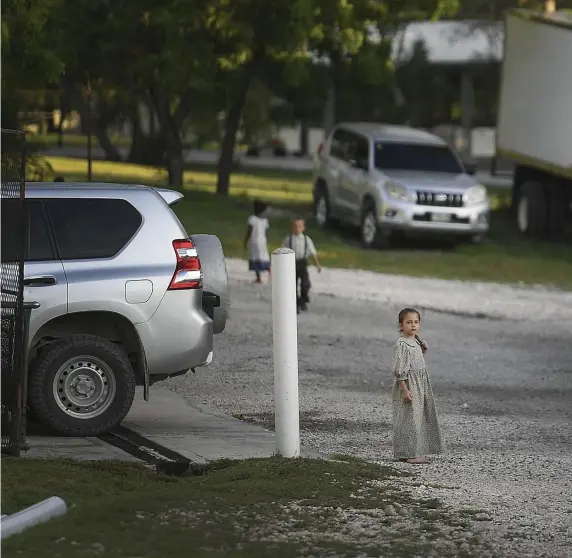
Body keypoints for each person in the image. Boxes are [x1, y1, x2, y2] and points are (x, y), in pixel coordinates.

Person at [392, 307, 443, 464]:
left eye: (416, 322)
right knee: (410, 419)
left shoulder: (414, 342)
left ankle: (409, 451)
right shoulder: (402, 345)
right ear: (401, 325)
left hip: (420, 385)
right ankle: (411, 454)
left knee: (418, 418)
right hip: (409, 385)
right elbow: (400, 369)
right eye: (409, 322)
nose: (413, 325)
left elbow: (414, 361)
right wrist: (405, 390)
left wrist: (422, 350)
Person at [281, 217, 322, 313]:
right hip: (291, 263)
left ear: (303, 228)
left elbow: (313, 253)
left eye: (299, 226)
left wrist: (318, 265)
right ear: (292, 228)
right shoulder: (288, 239)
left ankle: (303, 299)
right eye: (295, 227)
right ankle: (296, 304)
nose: (297, 229)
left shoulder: (306, 239)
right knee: (292, 285)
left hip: (302, 263)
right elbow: (282, 251)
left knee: (305, 284)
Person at [244, 199, 271, 284]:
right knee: (264, 257)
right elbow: (265, 231)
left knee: (255, 258)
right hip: (262, 241)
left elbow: (249, 231)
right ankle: (271, 272)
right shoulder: (265, 220)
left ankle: (259, 278)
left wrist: (245, 241)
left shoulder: (252, 219)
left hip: (254, 242)